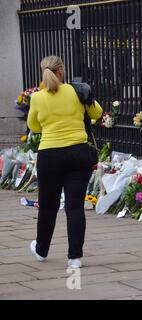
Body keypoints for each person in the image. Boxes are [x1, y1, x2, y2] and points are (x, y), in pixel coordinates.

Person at [27, 56, 103, 268]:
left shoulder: (37, 97)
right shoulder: (77, 91)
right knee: (75, 207)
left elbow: (34, 126)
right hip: (78, 154)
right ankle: (75, 258)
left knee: (48, 206)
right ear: (61, 71)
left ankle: (41, 250)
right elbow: (97, 113)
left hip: (49, 155)